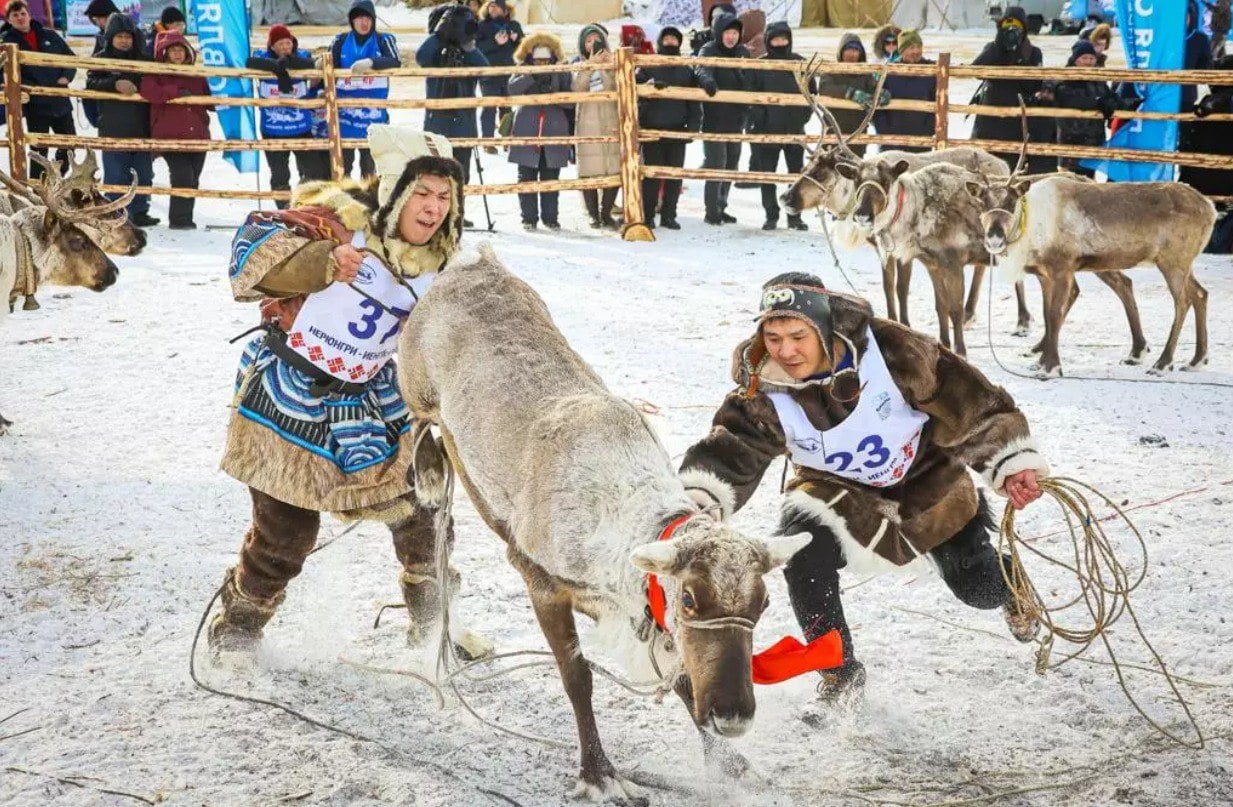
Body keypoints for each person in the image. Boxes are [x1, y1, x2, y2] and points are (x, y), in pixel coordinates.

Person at [679, 273, 1047, 701]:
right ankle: (838, 672)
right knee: (800, 552)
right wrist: (697, 503)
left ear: (823, 327)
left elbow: (969, 401)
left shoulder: (890, 351)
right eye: (774, 336)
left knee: (978, 590)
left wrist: (1011, 460)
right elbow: (734, 447)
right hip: (835, 494)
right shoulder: (763, 386)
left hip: (926, 482)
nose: (786, 350)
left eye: (798, 335)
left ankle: (1010, 584)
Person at [209, 125, 489, 662]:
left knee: (423, 514)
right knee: (285, 537)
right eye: (421, 194)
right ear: (393, 191)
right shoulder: (339, 222)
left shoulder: (446, 261)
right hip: (291, 397)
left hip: (374, 402)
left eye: (443, 196)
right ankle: (239, 628)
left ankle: (435, 632)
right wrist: (320, 264)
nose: (432, 209)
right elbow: (248, 255)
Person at [86, 12, 157, 227]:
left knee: (144, 173)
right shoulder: (100, 59)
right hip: (113, 125)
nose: (125, 41)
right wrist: (114, 84)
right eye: (120, 37)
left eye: (128, 36)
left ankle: (140, 210)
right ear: (110, 37)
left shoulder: (145, 60)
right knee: (116, 174)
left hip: (142, 125)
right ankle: (116, 213)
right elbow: (91, 84)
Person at [247, 24, 327, 209]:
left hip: (301, 128)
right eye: (280, 44)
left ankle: (301, 203)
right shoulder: (262, 56)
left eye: (287, 43)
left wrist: (288, 61)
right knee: (279, 174)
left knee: (314, 171)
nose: (285, 47)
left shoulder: (302, 56)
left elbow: (310, 64)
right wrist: (278, 68)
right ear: (272, 46)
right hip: (273, 130)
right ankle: (283, 209)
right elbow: (249, 62)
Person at [971, 6, 1056, 174]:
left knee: (1012, 165)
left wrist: (1018, 58)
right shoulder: (993, 48)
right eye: (1007, 27)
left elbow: (1034, 84)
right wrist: (998, 46)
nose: (1012, 31)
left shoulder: (1032, 52)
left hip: (1017, 119)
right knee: (986, 166)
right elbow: (976, 71)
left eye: (1016, 28)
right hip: (990, 118)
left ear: (1024, 29)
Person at [140, 31, 211, 229]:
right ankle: (178, 220)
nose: (178, 54)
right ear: (165, 53)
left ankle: (186, 218)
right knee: (182, 176)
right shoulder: (156, 73)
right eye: (173, 51)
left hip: (197, 135)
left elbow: (211, 100)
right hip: (169, 136)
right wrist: (175, 92)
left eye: (181, 50)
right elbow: (149, 91)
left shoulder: (196, 75)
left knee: (193, 179)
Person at [416, 2, 487, 199]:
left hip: (464, 122)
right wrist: (439, 34)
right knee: (434, 173)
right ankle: (436, 213)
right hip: (437, 121)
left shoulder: (469, 52)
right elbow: (421, 57)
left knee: (461, 173)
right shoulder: (434, 51)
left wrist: (469, 47)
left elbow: (487, 73)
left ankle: (457, 213)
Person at [1, 1, 77, 180]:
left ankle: (56, 178)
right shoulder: (6, 41)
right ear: (9, 19)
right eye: (15, 15)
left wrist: (67, 76)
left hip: (60, 100)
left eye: (22, 13)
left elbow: (70, 58)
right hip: (35, 104)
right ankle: (37, 189)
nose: (20, 18)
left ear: (29, 14)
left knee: (70, 144)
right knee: (39, 149)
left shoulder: (49, 34)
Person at [746, 21, 811, 231]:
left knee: (795, 176)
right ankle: (771, 214)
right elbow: (752, 97)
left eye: (784, 39)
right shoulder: (760, 65)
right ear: (768, 41)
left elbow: (811, 94)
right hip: (767, 131)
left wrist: (801, 116)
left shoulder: (799, 63)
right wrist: (761, 119)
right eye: (776, 39)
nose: (780, 43)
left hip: (794, 130)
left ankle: (794, 216)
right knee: (768, 175)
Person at [636, 25, 699, 231]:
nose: (670, 42)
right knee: (652, 176)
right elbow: (635, 87)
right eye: (667, 39)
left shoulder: (686, 69)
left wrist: (693, 126)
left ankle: (669, 215)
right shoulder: (648, 65)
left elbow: (693, 100)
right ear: (660, 42)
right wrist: (651, 85)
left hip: (678, 129)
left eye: (674, 39)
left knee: (674, 177)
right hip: (653, 129)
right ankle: (647, 215)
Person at [507, 32, 572, 231]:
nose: (542, 62)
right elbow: (512, 91)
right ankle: (528, 217)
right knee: (526, 175)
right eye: (538, 59)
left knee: (551, 175)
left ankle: (551, 217)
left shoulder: (562, 70)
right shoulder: (522, 69)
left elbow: (570, 100)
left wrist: (555, 90)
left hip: (554, 127)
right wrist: (531, 76)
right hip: (527, 126)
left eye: (546, 58)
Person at [330, 0, 401, 178]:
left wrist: (372, 63)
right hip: (345, 119)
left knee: (369, 170)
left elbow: (395, 61)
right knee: (344, 168)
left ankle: (369, 205)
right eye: (360, 18)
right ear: (352, 21)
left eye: (368, 18)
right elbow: (328, 65)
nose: (364, 22)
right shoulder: (340, 40)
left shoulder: (383, 40)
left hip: (374, 117)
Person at [695, 10, 750, 225]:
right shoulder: (708, 50)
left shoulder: (742, 52)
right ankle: (711, 211)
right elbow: (701, 70)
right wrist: (707, 81)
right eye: (727, 32)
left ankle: (722, 205)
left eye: (735, 32)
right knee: (716, 163)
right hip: (715, 119)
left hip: (737, 119)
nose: (731, 37)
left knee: (732, 164)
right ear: (719, 32)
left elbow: (751, 77)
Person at [1040, 39, 1121, 178]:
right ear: (1076, 59)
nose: (1088, 62)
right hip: (1072, 141)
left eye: (1091, 58)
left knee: (1089, 179)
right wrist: (1097, 102)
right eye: (1084, 58)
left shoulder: (1098, 81)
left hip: (1094, 140)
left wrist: (1112, 104)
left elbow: (1110, 98)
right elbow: (1070, 100)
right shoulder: (1065, 80)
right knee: (1071, 181)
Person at [572, 23, 621, 229]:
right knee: (589, 167)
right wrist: (590, 65)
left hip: (611, 118)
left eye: (596, 40)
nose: (592, 45)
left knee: (613, 167)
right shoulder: (578, 64)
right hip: (588, 121)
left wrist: (608, 66)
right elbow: (577, 89)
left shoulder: (614, 62)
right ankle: (593, 214)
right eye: (588, 41)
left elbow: (619, 86)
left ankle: (606, 211)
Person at [816, 33, 882, 158]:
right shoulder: (831, 71)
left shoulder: (866, 74)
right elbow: (826, 88)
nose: (852, 54)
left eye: (856, 50)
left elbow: (875, 90)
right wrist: (850, 93)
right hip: (833, 132)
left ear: (860, 53)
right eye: (848, 49)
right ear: (841, 51)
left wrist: (882, 94)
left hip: (857, 133)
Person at [873, 29, 936, 154]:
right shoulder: (889, 71)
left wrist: (929, 129)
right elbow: (876, 106)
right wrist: (884, 130)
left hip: (921, 140)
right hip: (891, 141)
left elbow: (938, 102)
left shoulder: (931, 71)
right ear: (902, 50)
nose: (916, 51)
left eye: (919, 47)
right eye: (911, 47)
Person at [475, 0, 521, 152]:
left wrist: (517, 40)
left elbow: (524, 48)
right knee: (489, 107)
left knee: (507, 108)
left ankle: (506, 139)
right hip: (489, 74)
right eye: (490, 6)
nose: (492, 8)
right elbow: (476, 48)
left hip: (509, 73)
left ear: (505, 10)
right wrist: (494, 42)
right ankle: (488, 141)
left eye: (496, 6)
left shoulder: (514, 25)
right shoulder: (482, 26)